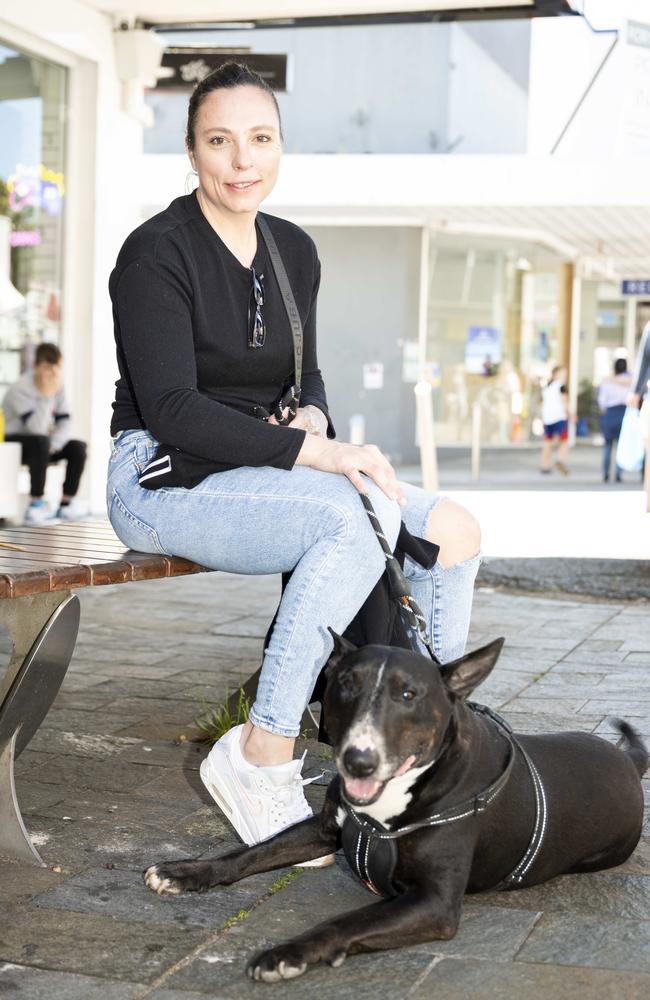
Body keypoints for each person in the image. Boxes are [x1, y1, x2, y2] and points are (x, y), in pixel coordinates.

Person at [107, 62, 481, 855]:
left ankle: (436, 746)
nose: (243, 161)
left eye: (260, 139)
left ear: (280, 145)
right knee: (352, 521)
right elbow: (172, 409)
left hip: (266, 467)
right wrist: (317, 449)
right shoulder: (155, 254)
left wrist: (312, 415)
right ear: (191, 149)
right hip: (160, 476)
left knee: (451, 530)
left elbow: (304, 377)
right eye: (220, 141)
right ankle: (261, 752)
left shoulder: (292, 251)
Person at [3, 342, 87, 523]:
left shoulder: (59, 384)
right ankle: (35, 504)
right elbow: (36, 427)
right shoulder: (20, 388)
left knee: (78, 447)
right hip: (15, 442)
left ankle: (66, 504)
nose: (51, 373)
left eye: (55, 368)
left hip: (44, 444)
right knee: (40, 440)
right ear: (36, 367)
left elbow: (65, 421)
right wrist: (46, 395)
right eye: (46, 368)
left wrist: (55, 444)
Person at [597, 358, 632, 483]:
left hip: (610, 413)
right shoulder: (630, 380)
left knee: (607, 445)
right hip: (624, 412)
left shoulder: (607, 382)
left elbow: (602, 402)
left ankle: (605, 473)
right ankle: (618, 474)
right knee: (620, 446)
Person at [540, 364, 572, 475]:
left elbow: (543, 403)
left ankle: (545, 466)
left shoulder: (547, 387)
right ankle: (560, 460)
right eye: (563, 373)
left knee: (548, 442)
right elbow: (565, 402)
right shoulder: (561, 386)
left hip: (547, 418)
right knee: (564, 440)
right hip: (559, 417)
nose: (565, 376)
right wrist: (571, 414)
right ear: (555, 374)